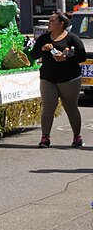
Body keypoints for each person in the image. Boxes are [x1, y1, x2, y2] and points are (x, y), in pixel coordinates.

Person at [29, 11, 86, 148]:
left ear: (61, 24)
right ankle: (45, 138)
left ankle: (77, 136)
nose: (49, 23)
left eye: (52, 21)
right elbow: (33, 55)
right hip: (48, 78)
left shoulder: (72, 38)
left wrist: (65, 58)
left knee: (71, 108)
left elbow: (82, 56)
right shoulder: (44, 38)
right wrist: (42, 49)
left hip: (70, 78)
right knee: (48, 108)